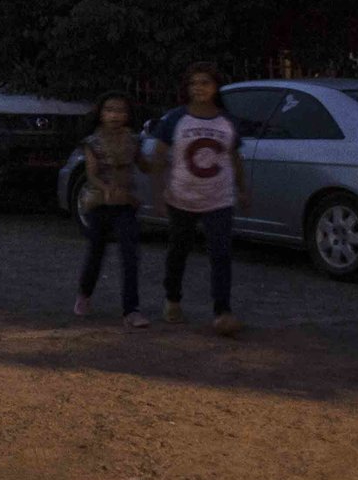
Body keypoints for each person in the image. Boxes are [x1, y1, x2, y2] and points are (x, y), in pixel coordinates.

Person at [149, 62, 248, 336]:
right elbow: (159, 156)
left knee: (221, 254)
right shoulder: (176, 119)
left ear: (216, 87)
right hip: (182, 197)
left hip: (219, 198)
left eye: (205, 82)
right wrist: (158, 194)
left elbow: (234, 157)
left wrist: (242, 188)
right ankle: (172, 298)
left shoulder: (226, 121)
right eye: (194, 84)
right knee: (179, 250)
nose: (199, 88)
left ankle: (222, 310)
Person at [73, 92, 150, 327]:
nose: (115, 116)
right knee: (96, 253)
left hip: (126, 204)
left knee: (130, 255)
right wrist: (105, 188)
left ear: (127, 115)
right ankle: (85, 294)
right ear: (101, 114)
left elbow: (143, 165)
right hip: (100, 204)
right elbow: (92, 173)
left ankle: (131, 309)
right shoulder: (93, 142)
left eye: (120, 111)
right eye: (109, 110)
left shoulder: (133, 140)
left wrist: (162, 162)